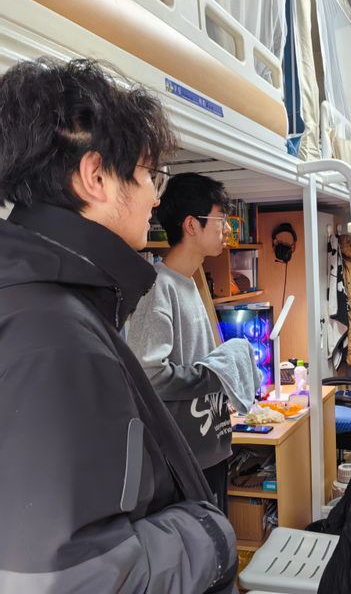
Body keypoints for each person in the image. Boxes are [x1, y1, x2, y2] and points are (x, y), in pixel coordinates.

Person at [0, 57, 237, 592]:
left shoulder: (44, 299)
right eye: (150, 175)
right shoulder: (55, 336)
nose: (156, 196)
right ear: (96, 177)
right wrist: (211, 532)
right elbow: (78, 577)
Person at [127, 172, 259, 514]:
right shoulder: (158, 287)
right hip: (184, 461)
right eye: (220, 219)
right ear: (191, 225)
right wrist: (216, 376)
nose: (227, 229)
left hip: (209, 448)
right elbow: (150, 375)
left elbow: (198, 363)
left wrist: (222, 381)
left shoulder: (190, 282)